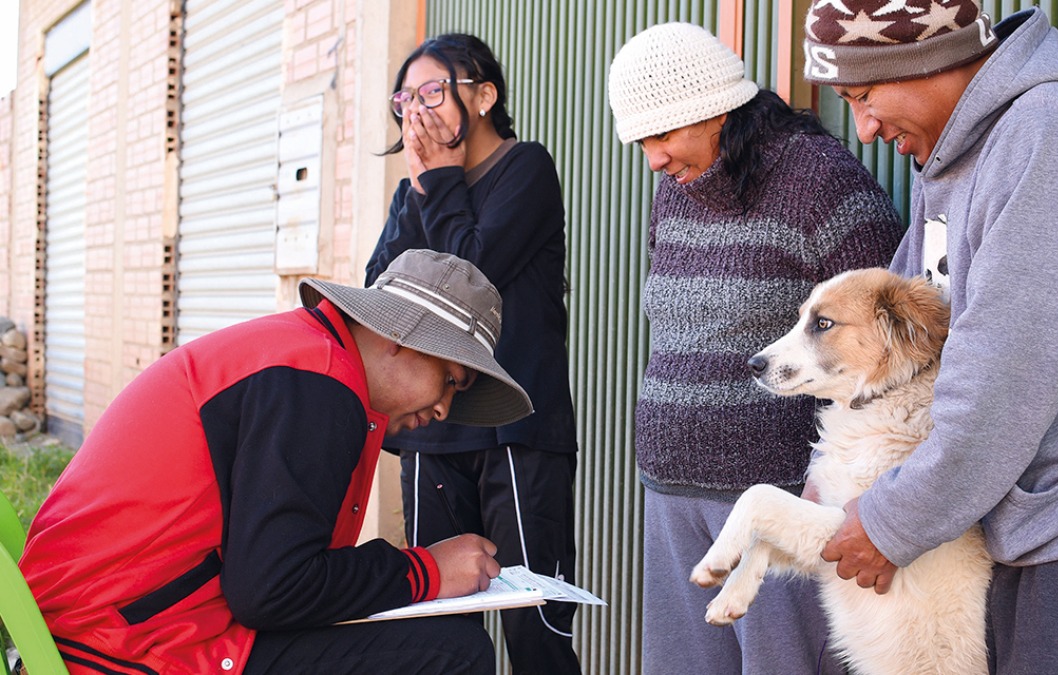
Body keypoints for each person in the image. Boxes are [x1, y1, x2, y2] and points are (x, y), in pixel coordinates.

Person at [802, 0, 1058, 671]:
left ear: (924, 58)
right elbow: (901, 348)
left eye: (864, 95)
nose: (864, 128)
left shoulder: (1050, 136)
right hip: (1029, 533)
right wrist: (833, 479)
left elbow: (1004, 381)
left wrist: (892, 520)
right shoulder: (955, 163)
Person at [19, 249, 534, 674]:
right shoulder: (318, 385)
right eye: (450, 379)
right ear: (401, 337)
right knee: (452, 652)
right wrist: (425, 571)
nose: (445, 408)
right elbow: (272, 589)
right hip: (116, 643)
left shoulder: (304, 358)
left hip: (104, 619)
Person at [607, 22, 904, 674]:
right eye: (642, 141)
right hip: (670, 493)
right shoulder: (676, 188)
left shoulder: (819, 182)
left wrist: (862, 493)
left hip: (777, 502)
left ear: (714, 108)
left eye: (663, 135)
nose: (653, 159)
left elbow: (889, 354)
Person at [364, 33, 581, 675]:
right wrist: (425, 188)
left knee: (533, 622)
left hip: (515, 429)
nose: (417, 111)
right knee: (438, 628)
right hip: (433, 432)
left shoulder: (527, 168)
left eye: (434, 91)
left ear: (484, 96)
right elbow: (387, 291)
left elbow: (470, 271)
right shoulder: (417, 191)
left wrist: (437, 181)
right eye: (406, 98)